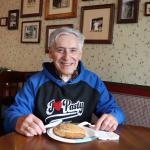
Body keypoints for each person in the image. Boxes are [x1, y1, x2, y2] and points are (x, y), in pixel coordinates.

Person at [4, 27, 125, 137]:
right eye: (60, 50)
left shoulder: (93, 81)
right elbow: (12, 115)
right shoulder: (34, 82)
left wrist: (114, 117)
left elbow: (115, 110)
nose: (67, 57)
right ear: (51, 53)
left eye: (73, 50)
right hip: (42, 143)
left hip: (82, 143)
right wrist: (17, 121)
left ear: (80, 54)